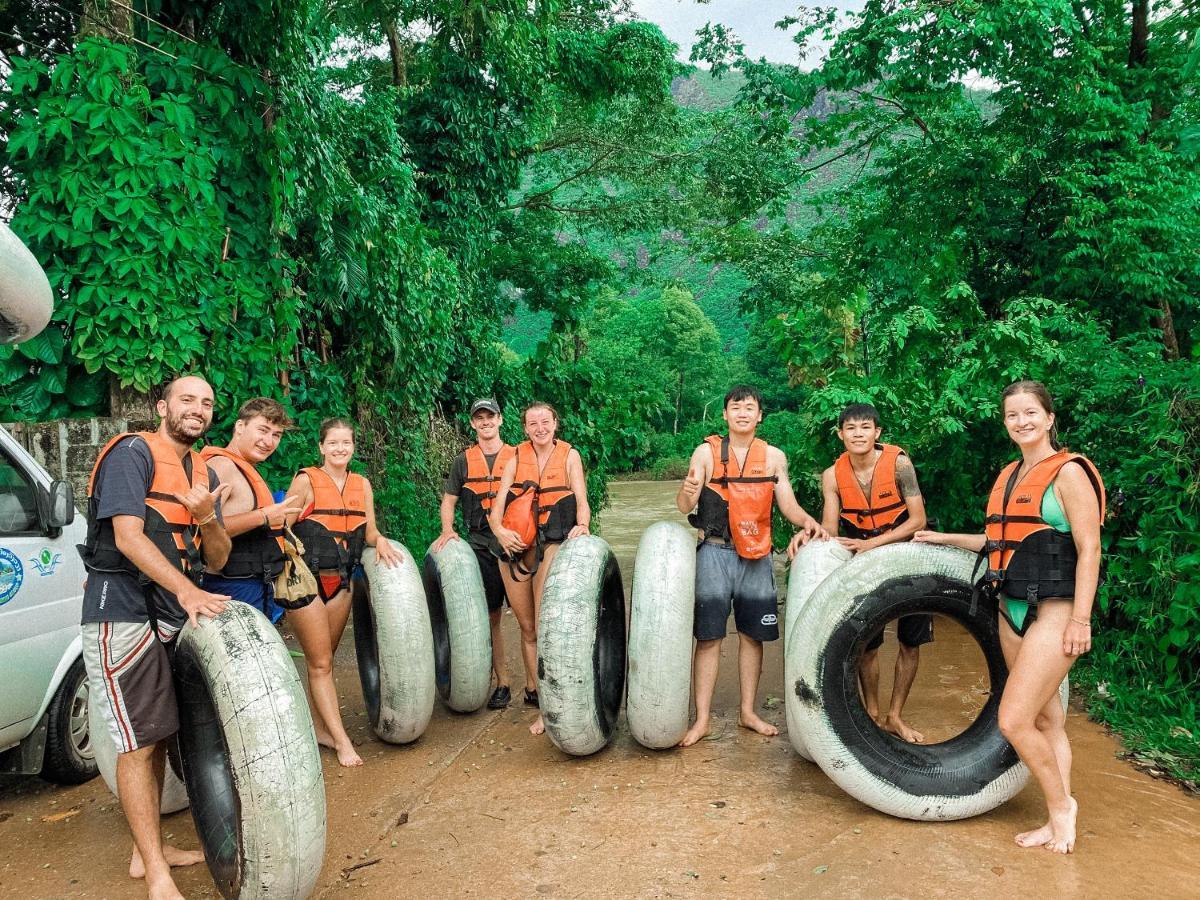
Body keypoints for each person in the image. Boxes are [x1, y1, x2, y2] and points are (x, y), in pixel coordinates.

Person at [915, 380, 1104, 854]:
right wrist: (945, 539)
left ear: (1049, 417)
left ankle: (1063, 810)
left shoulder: (1068, 473)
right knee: (1046, 719)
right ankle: (1056, 812)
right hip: (1010, 609)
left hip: (1055, 615)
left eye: (1030, 413)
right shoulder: (1009, 475)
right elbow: (1001, 543)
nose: (1022, 422)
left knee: (1013, 720)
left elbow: (1089, 548)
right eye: (1012, 415)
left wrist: (1082, 620)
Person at [78, 375, 232, 900]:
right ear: (163, 406)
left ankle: (150, 853)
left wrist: (207, 517)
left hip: (166, 614)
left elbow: (217, 558)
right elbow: (126, 535)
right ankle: (156, 874)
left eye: (207, 403)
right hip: (120, 611)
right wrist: (189, 594)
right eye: (188, 399)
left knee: (160, 732)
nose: (198, 409)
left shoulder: (200, 470)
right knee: (138, 744)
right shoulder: (132, 453)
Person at [676, 385, 827, 748]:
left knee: (752, 636)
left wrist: (809, 522)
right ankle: (703, 719)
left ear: (760, 416)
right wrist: (688, 492)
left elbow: (787, 504)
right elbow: (684, 507)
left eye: (750, 408)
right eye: (735, 407)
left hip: (756, 555)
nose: (742, 413)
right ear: (725, 415)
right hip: (714, 551)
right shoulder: (706, 452)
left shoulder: (774, 457)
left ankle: (748, 712)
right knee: (709, 636)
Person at [790, 403, 930, 742]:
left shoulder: (899, 464)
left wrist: (875, 543)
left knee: (910, 642)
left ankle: (895, 715)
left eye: (865, 428)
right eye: (850, 429)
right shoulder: (831, 476)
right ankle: (871, 713)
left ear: (877, 433)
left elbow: (918, 520)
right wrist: (808, 533)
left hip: (907, 550)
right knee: (868, 643)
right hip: (865, 558)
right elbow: (830, 528)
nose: (858, 434)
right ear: (841, 435)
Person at [286, 418, 402, 767]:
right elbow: (282, 527)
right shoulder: (306, 480)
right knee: (320, 663)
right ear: (321, 447)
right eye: (333, 443)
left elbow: (369, 531)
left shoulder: (362, 484)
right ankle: (340, 741)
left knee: (323, 660)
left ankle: (320, 728)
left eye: (346, 443)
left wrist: (379, 540)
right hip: (306, 582)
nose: (339, 448)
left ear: (353, 447)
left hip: (342, 581)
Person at [488, 402, 591, 736]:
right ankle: (544, 704)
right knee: (528, 628)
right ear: (525, 428)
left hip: (553, 543)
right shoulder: (515, 457)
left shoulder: (570, 456)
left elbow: (581, 499)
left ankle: (556, 704)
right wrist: (501, 532)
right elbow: (496, 509)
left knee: (547, 625)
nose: (540, 428)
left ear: (555, 423)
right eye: (533, 423)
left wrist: (583, 524)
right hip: (517, 549)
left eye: (545, 421)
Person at [432, 398, 515, 709]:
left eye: (490, 417)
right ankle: (503, 681)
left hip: (515, 544)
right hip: (481, 545)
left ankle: (536, 686)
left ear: (500, 420)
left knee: (528, 619)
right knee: (492, 617)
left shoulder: (517, 456)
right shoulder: (463, 461)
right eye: (479, 418)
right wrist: (446, 530)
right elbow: (449, 501)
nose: (485, 422)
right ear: (472, 423)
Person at [200, 398, 301, 621]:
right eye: (263, 430)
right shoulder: (222, 466)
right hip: (230, 587)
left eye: (276, 435)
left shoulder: (242, 467)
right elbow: (204, 528)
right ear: (239, 427)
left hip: (253, 584)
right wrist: (264, 516)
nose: (269, 441)